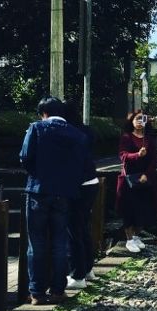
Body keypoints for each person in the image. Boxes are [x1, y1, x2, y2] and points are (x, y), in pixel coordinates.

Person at [19, 96, 87, 305]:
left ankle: (37, 292)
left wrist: (38, 175)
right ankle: (58, 290)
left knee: (36, 242)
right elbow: (81, 165)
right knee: (60, 241)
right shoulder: (77, 134)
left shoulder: (37, 128)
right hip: (64, 193)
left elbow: (25, 157)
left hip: (39, 190)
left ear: (44, 113)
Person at [64, 100, 99, 289]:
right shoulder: (87, 131)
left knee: (74, 230)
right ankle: (87, 268)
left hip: (77, 184)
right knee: (82, 227)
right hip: (91, 181)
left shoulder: (67, 132)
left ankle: (77, 274)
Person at [116, 110, 157, 253]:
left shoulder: (149, 139)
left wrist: (147, 174)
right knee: (128, 209)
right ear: (132, 121)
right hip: (129, 179)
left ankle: (135, 236)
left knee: (143, 209)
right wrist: (137, 155)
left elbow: (154, 160)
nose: (140, 122)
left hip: (144, 178)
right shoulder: (126, 137)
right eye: (137, 119)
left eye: (142, 119)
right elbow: (123, 155)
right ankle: (129, 239)